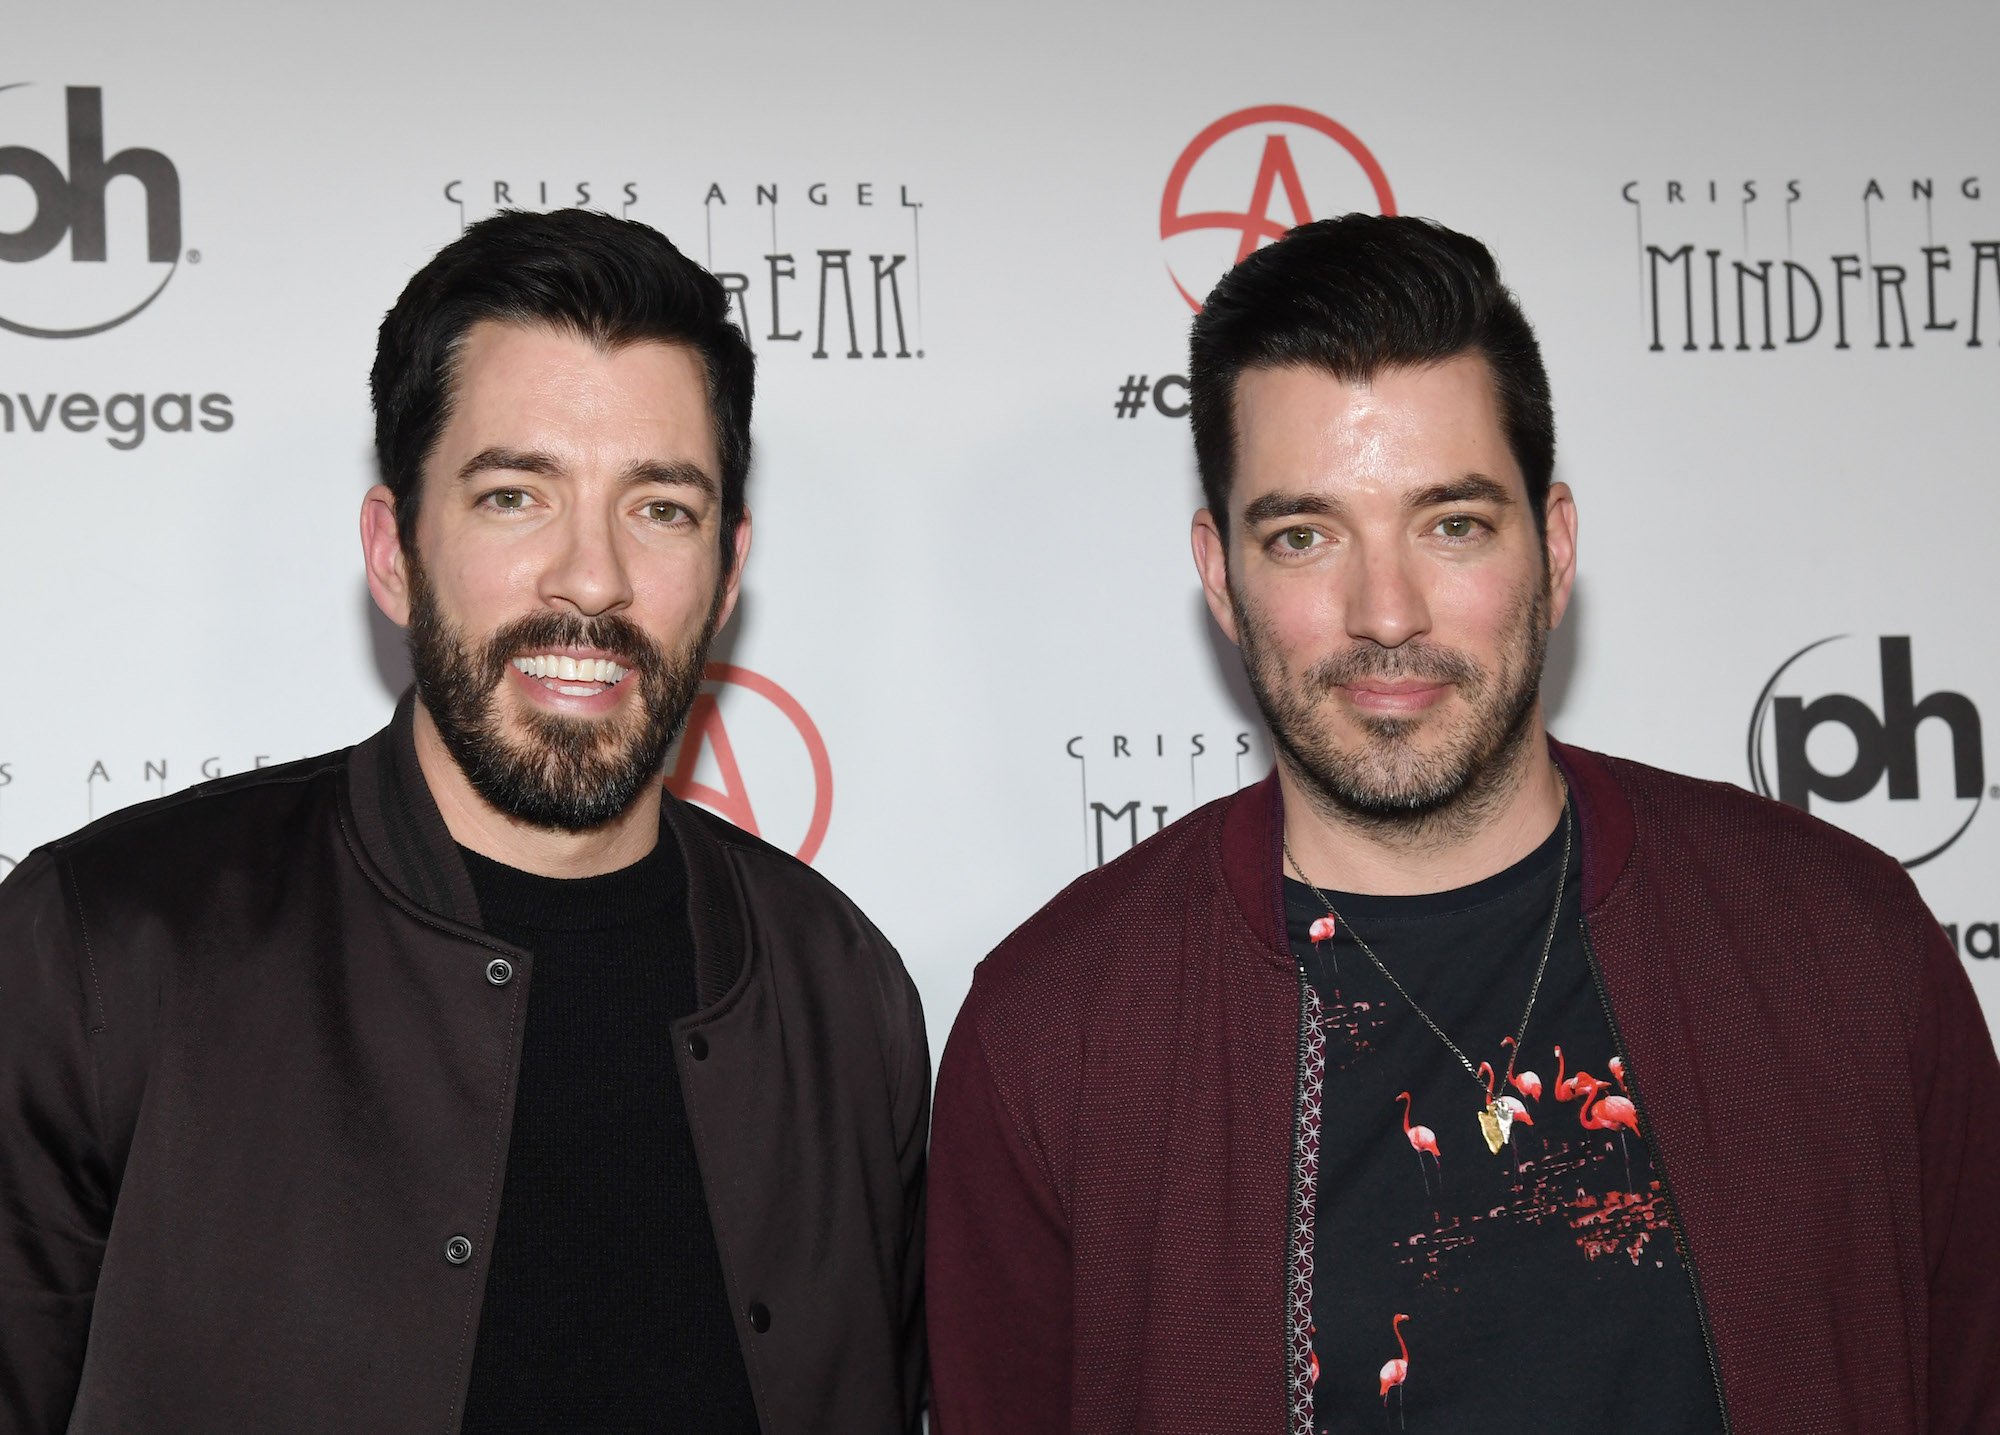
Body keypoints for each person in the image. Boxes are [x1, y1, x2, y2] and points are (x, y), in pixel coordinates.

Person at [927, 214, 2000, 1435]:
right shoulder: (1057, 1035)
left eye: (1451, 524)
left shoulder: (1842, 946)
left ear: (1551, 545)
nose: (1384, 611)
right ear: (1220, 577)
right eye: (1302, 534)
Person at [0, 208, 927, 1434]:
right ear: (393, 552)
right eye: (512, 496)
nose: (590, 579)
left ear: (727, 568)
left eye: (659, 508)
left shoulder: (840, 987)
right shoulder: (105, 947)